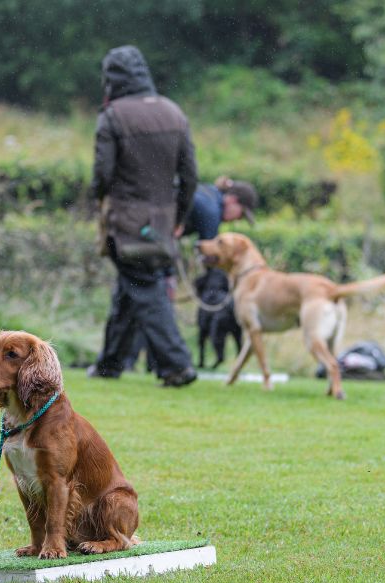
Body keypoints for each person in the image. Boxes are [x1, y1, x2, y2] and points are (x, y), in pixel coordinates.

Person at [87, 45, 198, 388]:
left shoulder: (113, 116)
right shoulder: (173, 112)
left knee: (144, 288)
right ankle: (110, 364)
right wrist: (179, 215)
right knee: (129, 288)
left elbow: (103, 174)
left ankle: (177, 365)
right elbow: (190, 174)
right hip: (163, 222)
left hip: (125, 222)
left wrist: (96, 199)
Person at [124, 177, 258, 373]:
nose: (237, 219)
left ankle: (125, 361)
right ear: (232, 200)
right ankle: (162, 363)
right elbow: (212, 256)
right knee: (156, 303)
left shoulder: (207, 193)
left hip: (136, 232)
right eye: (240, 214)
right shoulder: (212, 211)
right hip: (150, 244)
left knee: (133, 300)